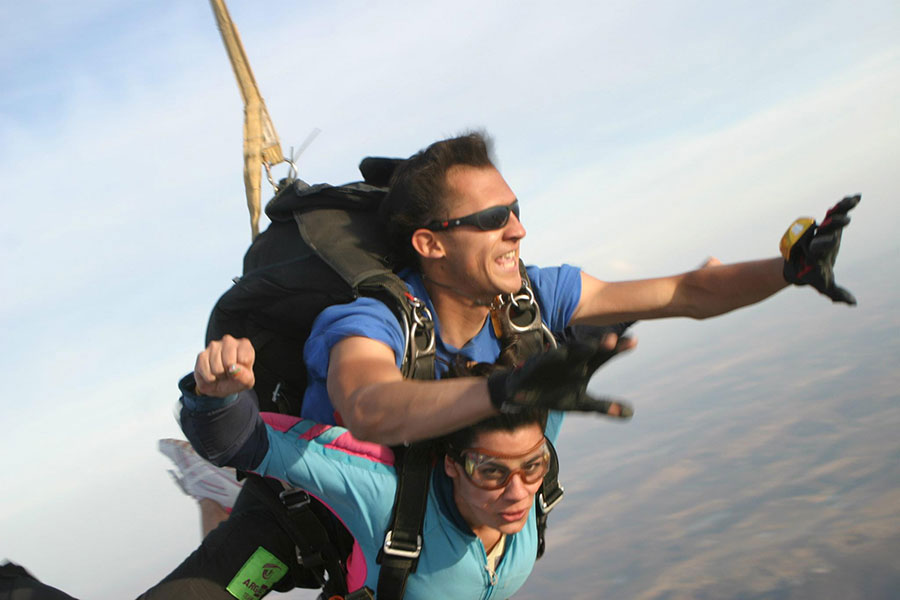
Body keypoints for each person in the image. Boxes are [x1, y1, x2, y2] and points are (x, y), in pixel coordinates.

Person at [143, 131, 858, 597]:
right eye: (490, 218)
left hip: (431, 528)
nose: (516, 227)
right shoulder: (371, 320)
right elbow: (370, 404)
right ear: (429, 243)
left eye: (514, 209)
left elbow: (687, 291)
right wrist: (503, 392)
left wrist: (788, 268)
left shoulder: (532, 299)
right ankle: (210, 476)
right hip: (316, 511)